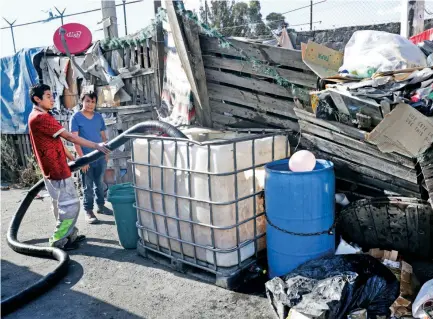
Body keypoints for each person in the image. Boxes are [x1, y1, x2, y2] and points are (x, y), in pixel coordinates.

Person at [28, 84, 110, 250]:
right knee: (71, 206)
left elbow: (58, 140)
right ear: (37, 99)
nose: (52, 99)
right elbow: (69, 137)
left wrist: (73, 159)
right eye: (48, 96)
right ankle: (59, 239)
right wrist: (96, 146)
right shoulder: (41, 118)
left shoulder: (41, 115)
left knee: (61, 205)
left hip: (53, 168)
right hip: (56, 170)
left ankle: (69, 235)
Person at [70, 92, 112, 224]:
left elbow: (103, 137)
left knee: (99, 183)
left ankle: (101, 206)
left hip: (100, 156)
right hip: (86, 158)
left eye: (93, 102)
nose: (90, 104)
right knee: (87, 186)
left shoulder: (98, 117)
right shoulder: (76, 118)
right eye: (88, 101)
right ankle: (88, 210)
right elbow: (75, 140)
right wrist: (82, 159)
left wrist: (106, 154)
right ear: (82, 101)